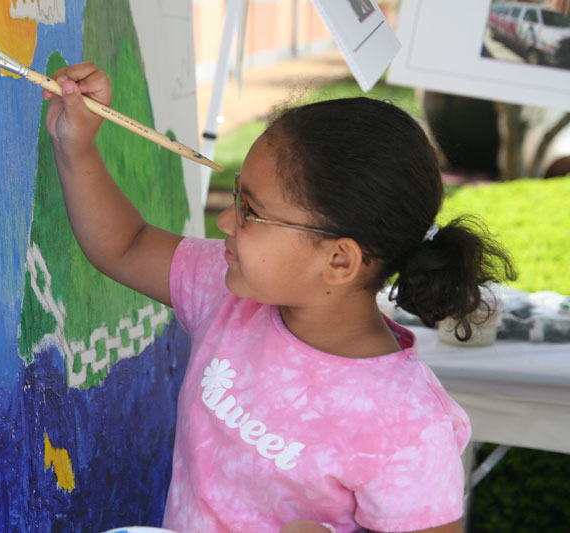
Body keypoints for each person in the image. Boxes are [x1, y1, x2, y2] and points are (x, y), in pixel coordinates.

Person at [42, 63, 516, 533]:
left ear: (338, 262)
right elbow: (127, 245)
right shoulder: (231, 292)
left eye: (251, 212)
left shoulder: (407, 425)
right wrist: (76, 148)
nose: (226, 222)